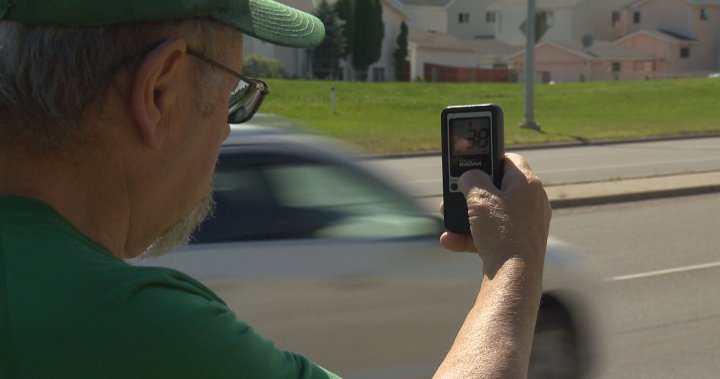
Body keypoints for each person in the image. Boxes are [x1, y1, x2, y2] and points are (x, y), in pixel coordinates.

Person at [0, 0, 551, 378]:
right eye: (236, 96)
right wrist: (514, 264)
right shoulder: (126, 328)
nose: (225, 130)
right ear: (159, 92)